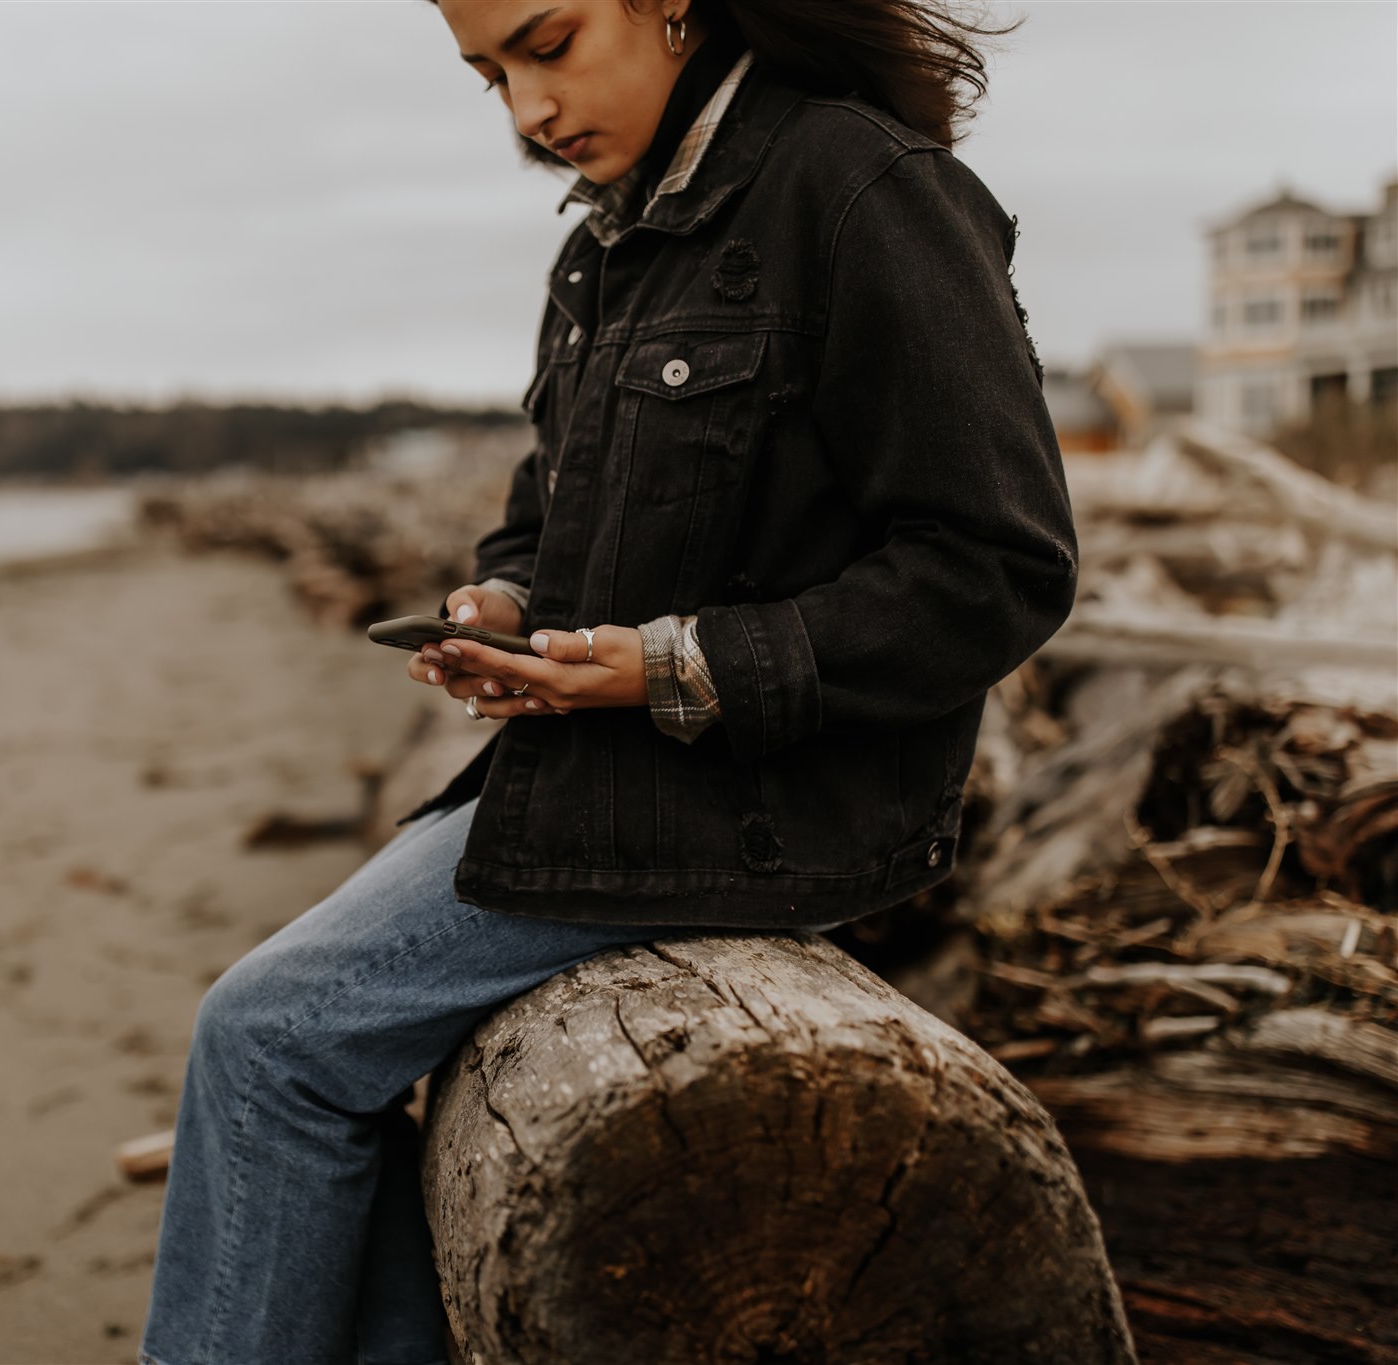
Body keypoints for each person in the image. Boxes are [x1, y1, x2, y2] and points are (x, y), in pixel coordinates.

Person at [139, 0, 1075, 1360]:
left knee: (267, 1041)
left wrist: (674, 666)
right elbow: (547, 510)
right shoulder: (607, 245)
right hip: (613, 771)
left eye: (549, 42)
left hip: (761, 803)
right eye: (488, 76)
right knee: (313, 1053)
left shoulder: (865, 192)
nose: (526, 110)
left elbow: (998, 565)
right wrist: (506, 605)